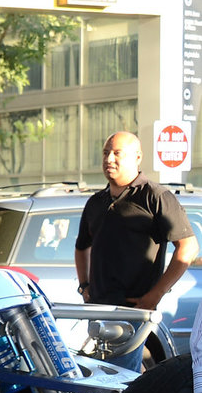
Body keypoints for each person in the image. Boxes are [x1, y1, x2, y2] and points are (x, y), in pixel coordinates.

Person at [74, 131, 199, 371]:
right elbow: (81, 248)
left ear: (138, 157)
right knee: (100, 379)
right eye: (105, 153)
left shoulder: (156, 196)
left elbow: (188, 247)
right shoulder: (95, 202)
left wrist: (156, 295)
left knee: (120, 381)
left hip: (133, 311)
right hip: (99, 310)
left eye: (117, 153)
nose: (109, 159)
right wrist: (84, 286)